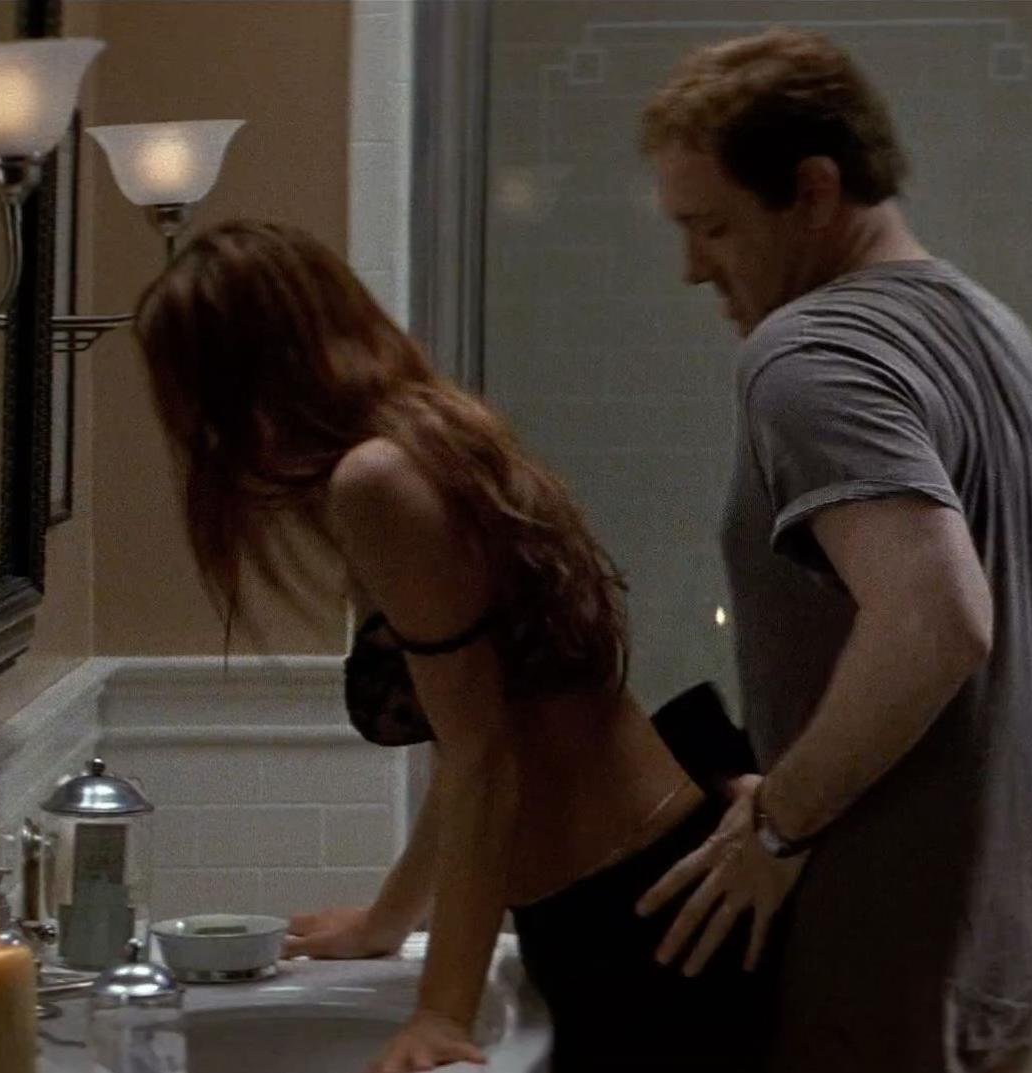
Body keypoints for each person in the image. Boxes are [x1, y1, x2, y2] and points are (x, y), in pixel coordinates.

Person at [133, 219, 774, 1073]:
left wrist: (442, 1011)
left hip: (631, 916)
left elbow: (483, 758)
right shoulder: (425, 438)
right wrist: (388, 921)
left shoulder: (378, 480)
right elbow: (475, 728)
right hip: (632, 892)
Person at [634, 27, 1032, 1073]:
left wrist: (778, 823)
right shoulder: (995, 330)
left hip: (888, 943)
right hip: (1009, 928)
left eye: (713, 227)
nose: (693, 267)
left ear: (813, 189)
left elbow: (938, 619)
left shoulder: (808, 355)